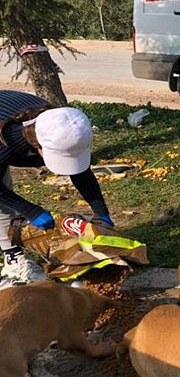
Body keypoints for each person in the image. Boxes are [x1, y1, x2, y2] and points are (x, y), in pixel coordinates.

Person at [0, 91, 113, 286]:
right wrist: (31, 211)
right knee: (4, 200)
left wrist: (100, 213)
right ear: (39, 146)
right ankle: (13, 259)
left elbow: (81, 172)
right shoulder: (8, 143)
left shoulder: (61, 124)